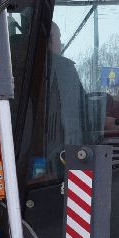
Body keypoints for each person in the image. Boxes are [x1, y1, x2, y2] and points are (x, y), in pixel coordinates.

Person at [46, 21, 87, 169]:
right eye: (59, 38)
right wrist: (105, 119)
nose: (61, 43)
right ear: (50, 39)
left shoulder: (14, 64)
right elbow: (82, 109)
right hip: (58, 157)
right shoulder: (63, 69)